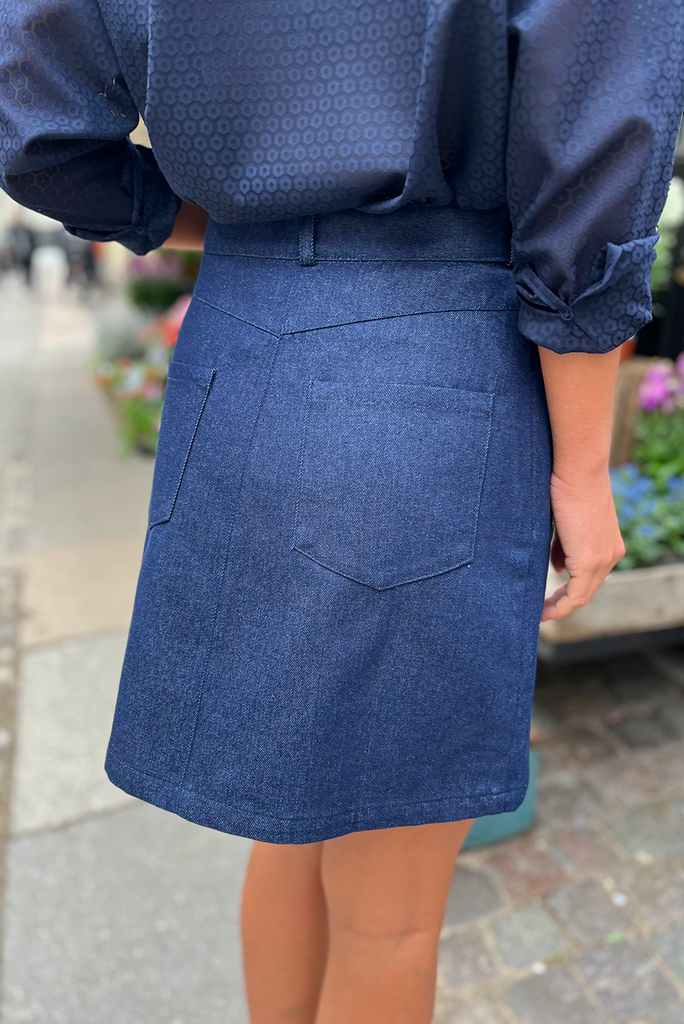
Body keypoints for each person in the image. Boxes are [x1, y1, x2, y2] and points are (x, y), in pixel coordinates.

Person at [2, 2, 683, 1021]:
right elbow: (591, 145)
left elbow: (34, 127)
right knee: (389, 919)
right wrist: (583, 471)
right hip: (431, 357)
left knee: (293, 825)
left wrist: (236, 225)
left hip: (240, 348)